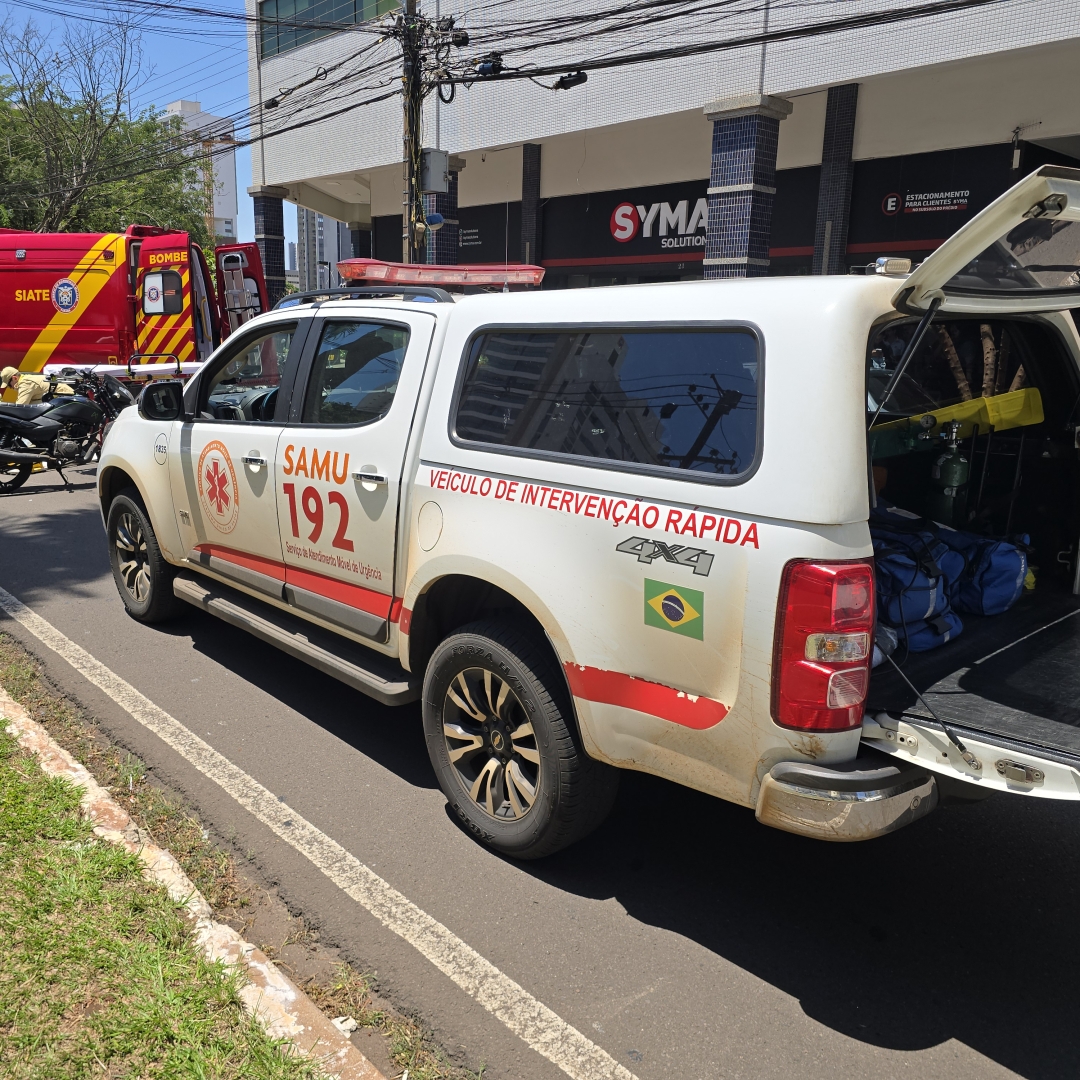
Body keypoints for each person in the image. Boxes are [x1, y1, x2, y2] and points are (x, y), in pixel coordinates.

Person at [0, 367, 74, 405]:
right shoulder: (26, 378)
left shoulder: (26, 383)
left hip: (64, 398)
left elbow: (21, 406)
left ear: (14, 378)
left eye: (9, 385)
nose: (10, 388)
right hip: (60, 397)